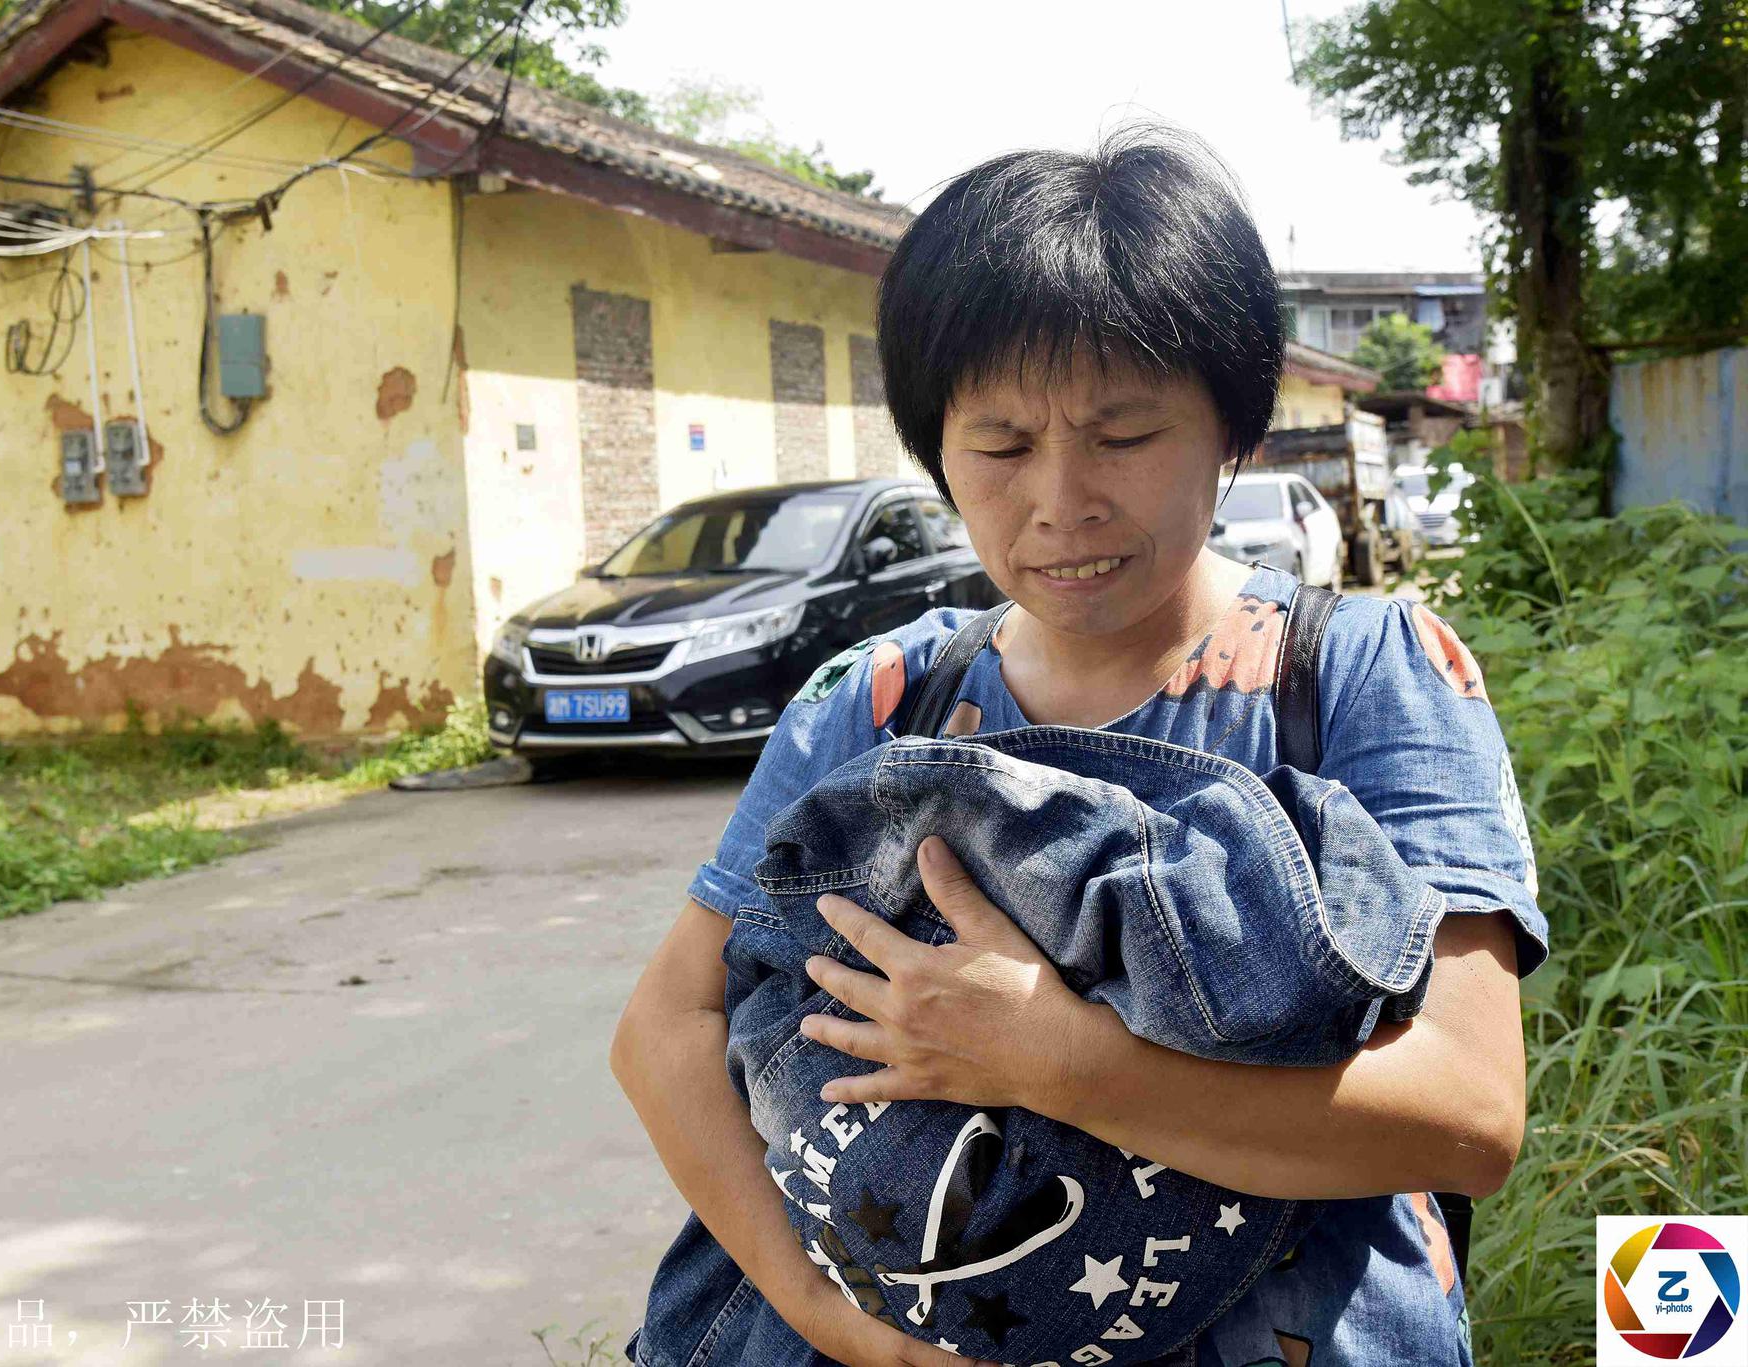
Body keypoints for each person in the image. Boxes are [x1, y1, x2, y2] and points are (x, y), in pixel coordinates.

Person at [609, 124, 1547, 1367]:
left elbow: (1465, 1114)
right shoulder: (879, 694)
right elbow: (666, 1025)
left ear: (1233, 432)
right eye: (997, 445)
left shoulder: (1361, 673)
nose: (1058, 499)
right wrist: (830, 1316)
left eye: (1121, 435)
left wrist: (1054, 1058)